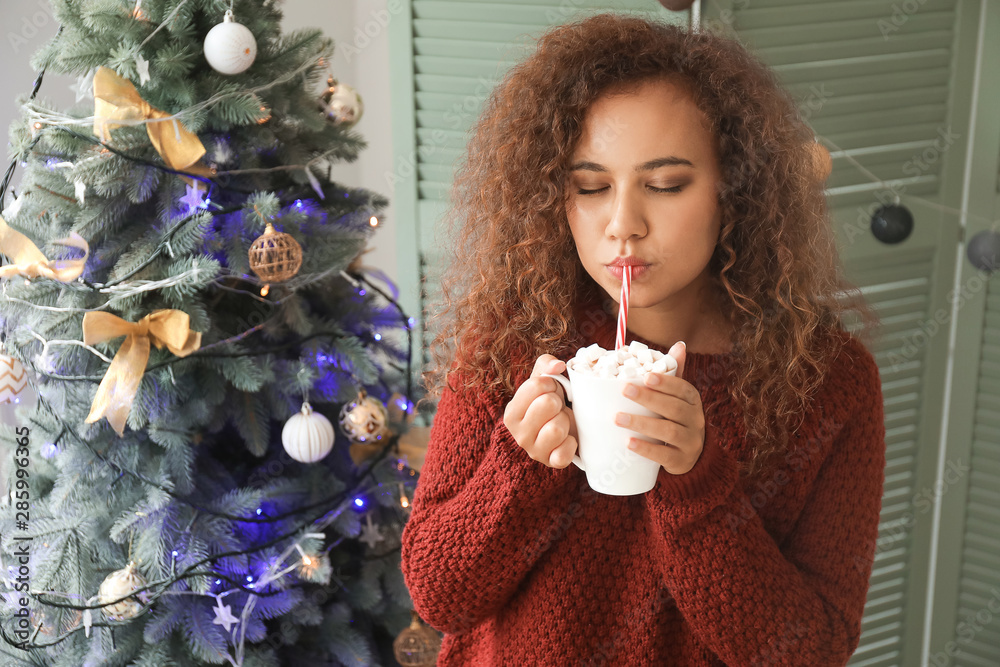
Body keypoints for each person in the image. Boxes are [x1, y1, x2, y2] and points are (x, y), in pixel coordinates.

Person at [401, 13, 886, 666]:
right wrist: (516, 470)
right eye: (590, 186)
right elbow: (439, 596)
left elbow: (812, 650)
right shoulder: (514, 341)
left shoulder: (829, 382)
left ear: (733, 190)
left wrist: (696, 484)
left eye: (665, 184)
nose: (622, 224)